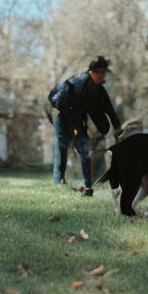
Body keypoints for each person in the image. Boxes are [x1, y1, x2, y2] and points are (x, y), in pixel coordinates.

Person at [48, 56, 122, 195]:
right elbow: (56, 101)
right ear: (93, 72)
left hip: (76, 118)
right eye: (102, 73)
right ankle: (59, 181)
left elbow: (109, 109)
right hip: (62, 116)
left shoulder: (99, 90)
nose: (104, 76)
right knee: (63, 145)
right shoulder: (77, 83)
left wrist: (117, 126)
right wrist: (75, 127)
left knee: (84, 147)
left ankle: (87, 185)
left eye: (105, 73)